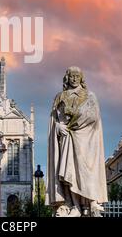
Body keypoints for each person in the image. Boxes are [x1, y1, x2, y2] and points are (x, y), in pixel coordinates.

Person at [46, 67, 108, 217]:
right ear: (67, 78)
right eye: (71, 76)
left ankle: (91, 203)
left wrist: (77, 122)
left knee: (87, 171)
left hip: (86, 141)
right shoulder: (60, 97)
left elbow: (94, 117)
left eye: (77, 76)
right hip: (67, 138)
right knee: (68, 172)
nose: (74, 79)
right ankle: (74, 205)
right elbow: (54, 119)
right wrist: (58, 127)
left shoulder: (90, 96)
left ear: (81, 78)